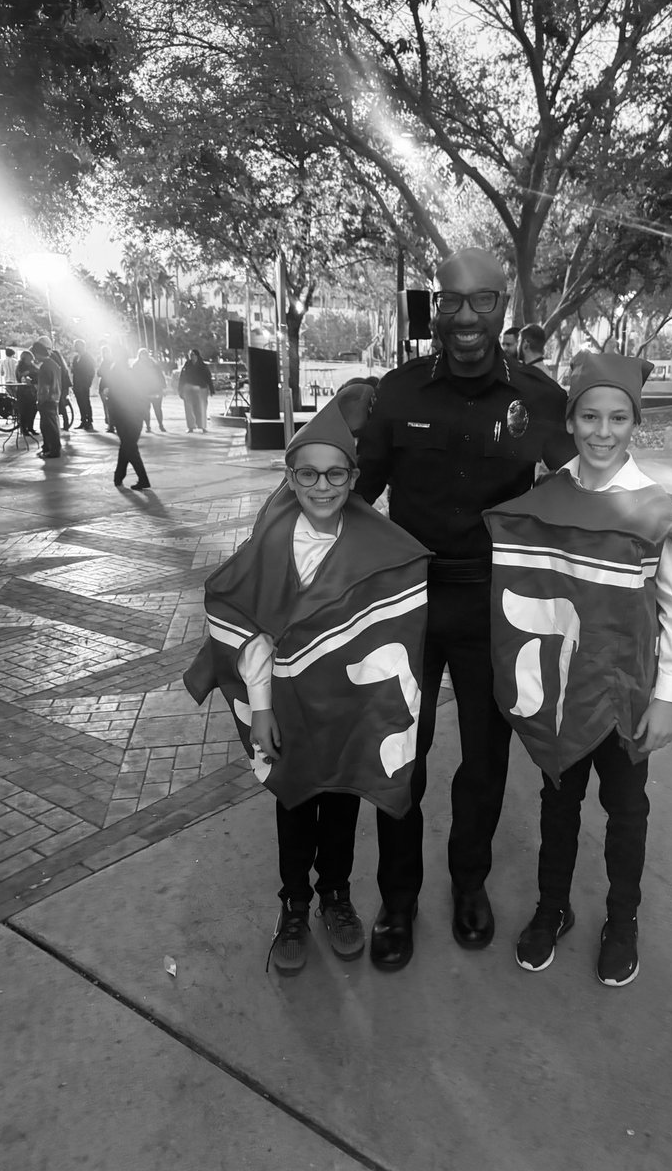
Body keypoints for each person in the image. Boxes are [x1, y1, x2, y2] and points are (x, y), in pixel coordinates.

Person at [355, 246, 672, 972]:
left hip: (499, 602)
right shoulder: (398, 392)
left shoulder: (542, 397)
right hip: (411, 597)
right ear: (434, 308)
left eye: (482, 301)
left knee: (485, 763)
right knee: (401, 757)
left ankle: (469, 888)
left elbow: (595, 468)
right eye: (450, 302)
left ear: (503, 308)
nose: (464, 318)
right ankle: (397, 903)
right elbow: (354, 495)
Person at [484, 352, 672, 986]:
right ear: (572, 419)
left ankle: (623, 919)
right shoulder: (544, 500)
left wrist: (670, 696)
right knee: (557, 804)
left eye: (618, 417)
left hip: (626, 695)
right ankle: (551, 908)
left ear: (633, 423)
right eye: (590, 415)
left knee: (626, 807)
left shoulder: (654, 511)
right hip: (562, 691)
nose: (603, 430)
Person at [183, 390, 430, 975]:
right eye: (309, 473)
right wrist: (261, 708)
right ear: (290, 477)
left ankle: (335, 896)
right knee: (294, 801)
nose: (323, 486)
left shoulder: (379, 545)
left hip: (344, 708)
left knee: (341, 800)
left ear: (355, 477)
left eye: (335, 473)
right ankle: (293, 903)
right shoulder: (272, 542)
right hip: (287, 704)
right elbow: (249, 626)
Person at [107, 350, 151, 490]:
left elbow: (113, 400)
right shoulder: (133, 374)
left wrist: (112, 419)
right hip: (136, 415)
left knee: (129, 447)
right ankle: (119, 476)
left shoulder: (115, 376)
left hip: (124, 417)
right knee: (127, 445)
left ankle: (142, 479)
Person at [31, 340, 63, 459]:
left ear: (38, 353)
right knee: (50, 425)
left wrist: (40, 400)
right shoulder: (54, 364)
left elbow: (45, 387)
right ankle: (48, 448)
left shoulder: (45, 367)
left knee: (49, 426)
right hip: (55, 398)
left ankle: (53, 450)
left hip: (47, 400)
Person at [131, 349, 167, 433]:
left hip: (155, 390)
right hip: (144, 391)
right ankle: (148, 426)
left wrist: (163, 387)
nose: (144, 357)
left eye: (145, 355)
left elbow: (160, 376)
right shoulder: (136, 366)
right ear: (139, 356)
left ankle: (161, 425)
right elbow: (133, 379)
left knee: (157, 408)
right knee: (146, 409)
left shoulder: (154, 364)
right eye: (142, 355)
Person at [178, 348, 214, 432]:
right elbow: (182, 378)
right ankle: (191, 427)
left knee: (201, 408)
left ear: (197, 355)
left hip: (201, 389)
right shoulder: (187, 365)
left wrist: (211, 389)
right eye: (190, 355)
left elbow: (208, 377)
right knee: (189, 409)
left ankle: (202, 427)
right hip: (189, 389)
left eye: (193, 354)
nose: (192, 356)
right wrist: (180, 389)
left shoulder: (203, 365)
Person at [71, 339, 96, 430]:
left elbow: (91, 371)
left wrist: (88, 383)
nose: (75, 347)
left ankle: (89, 421)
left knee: (86, 402)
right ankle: (83, 420)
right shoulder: (75, 358)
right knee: (80, 403)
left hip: (84, 384)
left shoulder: (88, 357)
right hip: (77, 384)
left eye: (76, 345)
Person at [16, 350, 39, 436]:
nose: (31, 362)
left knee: (33, 410)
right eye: (29, 360)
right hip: (23, 392)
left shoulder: (32, 367)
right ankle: (24, 429)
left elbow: (38, 371)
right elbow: (20, 376)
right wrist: (29, 373)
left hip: (32, 392)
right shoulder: (20, 367)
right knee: (24, 411)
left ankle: (30, 427)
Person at [51, 348, 73, 431]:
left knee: (58, 405)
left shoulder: (55, 366)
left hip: (60, 387)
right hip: (64, 387)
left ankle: (59, 424)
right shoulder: (63, 366)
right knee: (62, 405)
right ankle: (66, 424)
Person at [96, 344, 115, 432]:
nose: (104, 354)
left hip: (106, 386)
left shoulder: (107, 362)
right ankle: (110, 423)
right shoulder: (109, 362)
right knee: (108, 406)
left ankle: (110, 424)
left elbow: (100, 373)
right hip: (105, 385)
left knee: (108, 406)